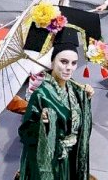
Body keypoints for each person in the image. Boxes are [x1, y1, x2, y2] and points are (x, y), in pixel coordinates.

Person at [18, 27, 94, 180]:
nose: (69, 68)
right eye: (63, 62)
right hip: (50, 163)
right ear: (52, 62)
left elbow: (81, 128)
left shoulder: (77, 91)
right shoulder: (41, 95)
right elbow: (25, 134)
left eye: (73, 63)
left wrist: (86, 101)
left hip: (72, 160)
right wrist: (42, 124)